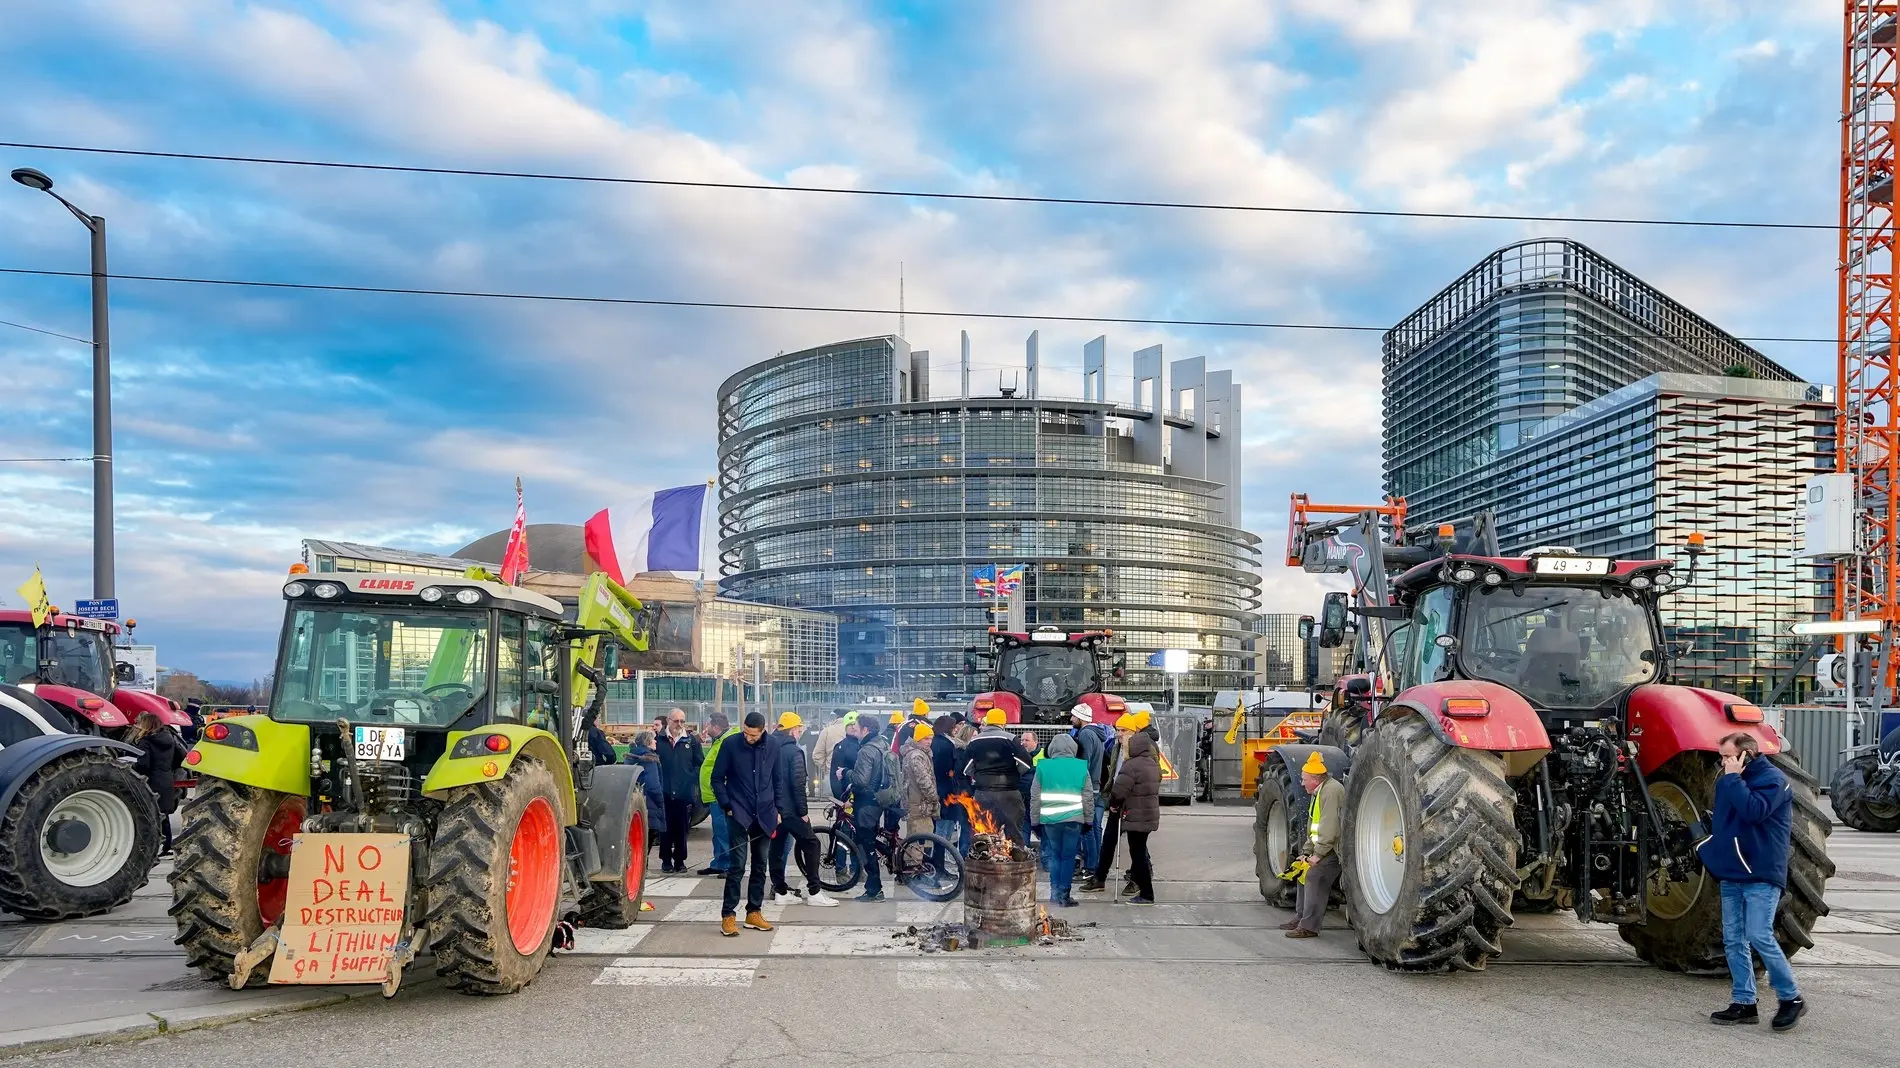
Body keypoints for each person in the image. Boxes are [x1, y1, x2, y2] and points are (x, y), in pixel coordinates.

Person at [1701, 733, 1806, 1031]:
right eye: (1721, 757)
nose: (1723, 763)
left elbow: (1754, 811)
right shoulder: (1726, 782)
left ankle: (1791, 998)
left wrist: (1733, 779)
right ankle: (1745, 1002)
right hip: (1732, 871)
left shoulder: (1774, 780)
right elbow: (1723, 825)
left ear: (1746, 754)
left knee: (1758, 934)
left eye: (1728, 756)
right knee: (1733, 939)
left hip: (1760, 871)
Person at [710, 711, 781, 937]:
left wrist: (779, 810)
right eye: (746, 733)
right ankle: (728, 916)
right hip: (738, 813)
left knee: (760, 866)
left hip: (765, 814)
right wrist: (727, 805)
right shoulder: (730, 744)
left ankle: (754, 913)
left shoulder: (774, 746)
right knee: (737, 866)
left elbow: (778, 780)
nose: (748, 738)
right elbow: (716, 778)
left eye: (753, 735)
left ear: (762, 731)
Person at [769, 712, 837, 907]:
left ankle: (780, 891)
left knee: (776, 847)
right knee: (812, 843)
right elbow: (798, 784)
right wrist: (803, 812)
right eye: (798, 728)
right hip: (790, 809)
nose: (800, 731)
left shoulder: (769, 747)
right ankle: (815, 891)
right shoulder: (794, 751)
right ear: (792, 729)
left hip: (773, 809)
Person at [1284, 751, 1344, 938]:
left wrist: (1317, 855)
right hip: (1324, 847)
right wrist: (1306, 853)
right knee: (1303, 871)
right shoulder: (1320, 792)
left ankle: (1309, 926)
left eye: (1304, 779)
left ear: (1316, 779)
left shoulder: (1332, 792)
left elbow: (1330, 827)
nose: (1302, 783)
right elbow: (1315, 827)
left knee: (1314, 876)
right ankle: (1301, 917)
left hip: (1334, 849)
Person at [1032, 733, 1095, 907]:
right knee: (1068, 857)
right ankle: (1064, 896)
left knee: (1054, 856)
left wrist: (1034, 821)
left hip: (1050, 820)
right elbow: (1088, 797)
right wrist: (1088, 820)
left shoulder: (1043, 766)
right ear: (1073, 748)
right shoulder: (1081, 767)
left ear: (1052, 748)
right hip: (1074, 820)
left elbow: (1035, 796)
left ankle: (1054, 893)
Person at [1081, 711, 1139, 894]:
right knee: (1108, 841)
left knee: (1136, 844)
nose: (1118, 733)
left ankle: (1138, 879)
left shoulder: (1140, 749)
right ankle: (1100, 878)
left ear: (1132, 731)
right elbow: (1113, 771)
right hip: (1116, 799)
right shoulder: (1116, 747)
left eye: (1122, 730)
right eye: (1117, 729)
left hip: (1133, 803)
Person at [1107, 723, 1161, 904]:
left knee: (1137, 853)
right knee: (1140, 851)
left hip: (1135, 815)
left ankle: (1146, 893)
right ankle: (1145, 890)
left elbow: (1119, 791)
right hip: (1149, 814)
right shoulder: (1152, 764)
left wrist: (1114, 805)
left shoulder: (1131, 766)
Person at [962, 709, 1031, 845]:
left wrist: (979, 776)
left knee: (984, 835)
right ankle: (1016, 860)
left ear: (987, 722)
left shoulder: (974, 741)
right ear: (1003, 723)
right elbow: (1026, 763)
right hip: (1009, 793)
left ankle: (984, 862)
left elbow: (965, 769)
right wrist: (1014, 774)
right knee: (1014, 834)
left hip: (983, 793)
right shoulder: (1011, 739)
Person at [653, 709, 702, 874]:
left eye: (682, 721)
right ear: (668, 721)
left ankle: (680, 861)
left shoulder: (691, 741)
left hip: (683, 793)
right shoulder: (658, 740)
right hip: (664, 792)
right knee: (665, 829)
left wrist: (690, 777)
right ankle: (666, 861)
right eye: (676, 721)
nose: (679, 724)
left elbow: (699, 762)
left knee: (681, 829)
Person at [129, 712, 184, 855]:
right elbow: (181, 757)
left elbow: (144, 765)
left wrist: (131, 766)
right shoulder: (170, 739)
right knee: (163, 815)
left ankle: (148, 849)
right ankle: (167, 846)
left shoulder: (145, 741)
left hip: (151, 781)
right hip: (166, 780)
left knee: (148, 816)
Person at [849, 718, 891, 901]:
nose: (854, 731)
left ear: (865, 729)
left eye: (856, 728)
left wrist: (845, 773)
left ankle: (874, 889)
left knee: (866, 844)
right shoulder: (883, 743)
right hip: (880, 799)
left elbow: (861, 780)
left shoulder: (866, 750)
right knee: (870, 838)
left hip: (866, 802)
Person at [1067, 704, 1106, 875]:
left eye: (1073, 716)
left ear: (1081, 718)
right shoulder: (1097, 735)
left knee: (1086, 829)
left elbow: (1084, 763)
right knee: (1094, 828)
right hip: (1096, 786)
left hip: (1087, 788)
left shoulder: (1085, 734)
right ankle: (1095, 864)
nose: (1071, 719)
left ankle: (1090, 867)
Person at [698, 712, 738, 876]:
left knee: (724, 832)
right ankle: (719, 863)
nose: (706, 729)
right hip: (714, 796)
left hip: (721, 795)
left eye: (707, 725)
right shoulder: (720, 740)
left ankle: (729, 864)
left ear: (715, 727)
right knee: (718, 832)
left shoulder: (728, 741)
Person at [623, 730, 668, 863]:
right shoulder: (650, 759)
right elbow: (653, 785)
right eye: (653, 739)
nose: (655, 742)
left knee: (636, 837)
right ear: (647, 741)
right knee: (648, 836)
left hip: (635, 800)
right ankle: (643, 865)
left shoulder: (631, 757)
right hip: (650, 802)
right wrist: (661, 801)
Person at [930, 714, 967, 850]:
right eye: (954, 726)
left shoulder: (936, 742)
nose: (956, 729)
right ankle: (939, 860)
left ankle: (939, 858)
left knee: (941, 827)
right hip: (946, 791)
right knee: (943, 829)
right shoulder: (946, 745)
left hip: (941, 789)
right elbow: (947, 770)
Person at [901, 723, 940, 839]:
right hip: (919, 805)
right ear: (918, 738)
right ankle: (913, 858)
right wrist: (934, 799)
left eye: (931, 738)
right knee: (918, 842)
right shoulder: (917, 756)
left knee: (916, 839)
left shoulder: (919, 753)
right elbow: (924, 782)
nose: (929, 742)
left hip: (917, 803)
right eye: (926, 738)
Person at [1017, 730, 1042, 849]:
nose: (1023, 743)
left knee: (1042, 829)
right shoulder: (1017, 755)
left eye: (1027, 740)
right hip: (1022, 797)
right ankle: (1023, 853)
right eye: (1022, 740)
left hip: (1039, 800)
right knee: (1023, 826)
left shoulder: (1044, 755)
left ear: (1036, 742)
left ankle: (1046, 859)